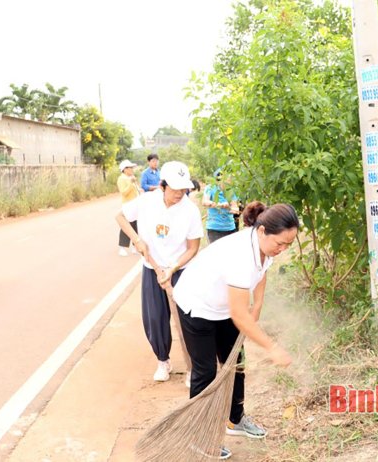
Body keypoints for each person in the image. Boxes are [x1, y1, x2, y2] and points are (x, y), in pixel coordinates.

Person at [173, 201, 296, 459]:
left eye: (288, 245)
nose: (283, 250)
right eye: (280, 244)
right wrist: (272, 347)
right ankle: (199, 435)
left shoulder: (266, 247)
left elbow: (262, 272)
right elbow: (240, 315)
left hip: (223, 307)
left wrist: (259, 302)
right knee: (206, 372)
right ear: (262, 231)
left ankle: (235, 419)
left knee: (236, 362)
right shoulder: (240, 254)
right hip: (198, 305)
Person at [116, 161, 203, 382]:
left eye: (184, 189)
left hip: (180, 270)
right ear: (163, 186)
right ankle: (163, 361)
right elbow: (120, 217)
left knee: (188, 319)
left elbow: (193, 248)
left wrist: (172, 268)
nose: (180, 194)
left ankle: (194, 366)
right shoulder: (147, 201)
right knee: (154, 319)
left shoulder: (190, 210)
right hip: (151, 267)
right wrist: (136, 240)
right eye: (175, 189)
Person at [202, 169, 240, 243]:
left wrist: (230, 208)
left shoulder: (231, 190)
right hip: (214, 227)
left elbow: (235, 208)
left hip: (230, 227)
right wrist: (220, 205)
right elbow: (204, 202)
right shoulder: (210, 188)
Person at [117, 159, 142, 257]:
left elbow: (136, 190)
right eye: (130, 168)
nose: (132, 169)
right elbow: (124, 192)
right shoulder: (121, 179)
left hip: (135, 204)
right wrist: (131, 184)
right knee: (126, 225)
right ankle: (122, 247)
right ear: (125, 169)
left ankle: (134, 246)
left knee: (135, 225)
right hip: (128, 204)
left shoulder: (131, 178)